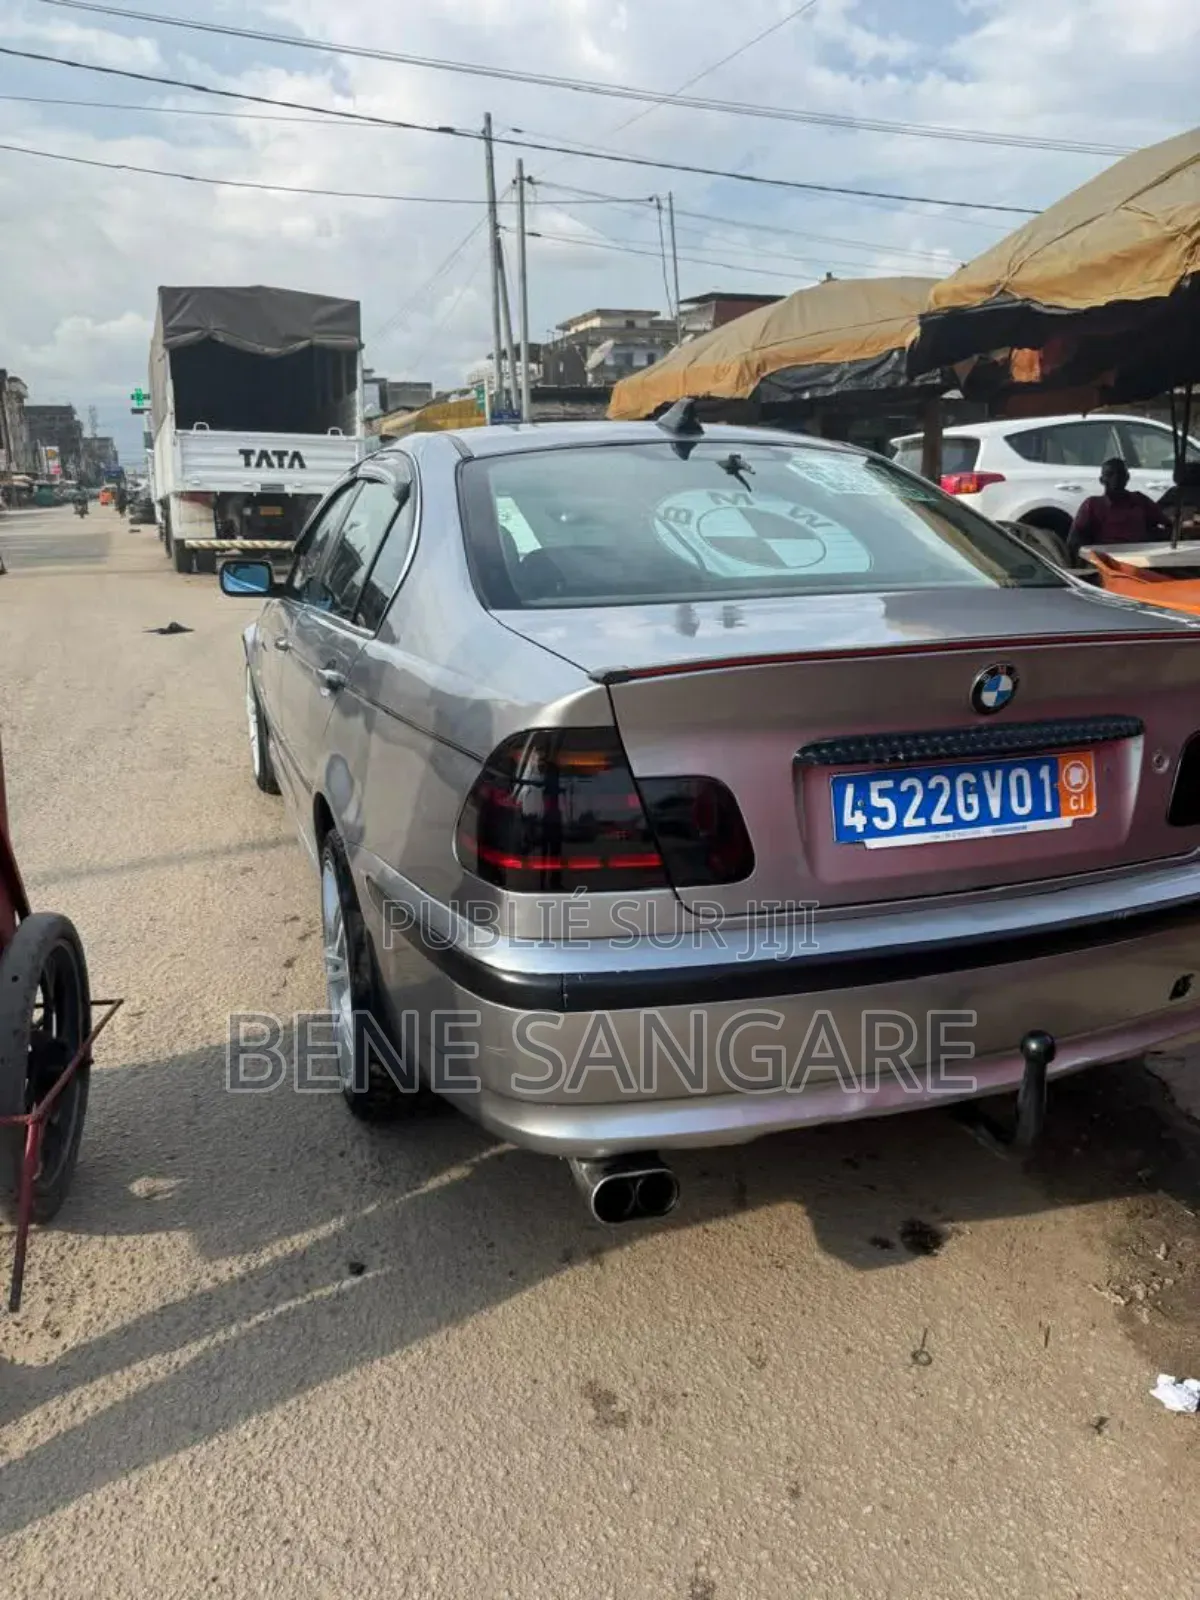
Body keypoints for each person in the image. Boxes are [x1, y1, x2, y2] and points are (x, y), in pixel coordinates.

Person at [1067, 457, 1170, 561]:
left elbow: (1168, 525)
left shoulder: (1139, 500)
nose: (1116, 478)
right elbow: (1075, 539)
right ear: (1102, 480)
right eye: (1110, 474)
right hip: (1106, 561)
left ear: (1127, 477)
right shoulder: (1092, 505)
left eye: (1120, 474)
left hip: (1142, 558)